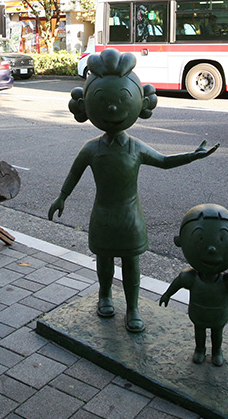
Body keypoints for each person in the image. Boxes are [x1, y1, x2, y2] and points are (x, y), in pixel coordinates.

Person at [48, 47, 218, 333]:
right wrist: (62, 196)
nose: (113, 108)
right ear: (86, 107)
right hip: (102, 216)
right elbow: (74, 173)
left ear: (140, 105)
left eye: (121, 100)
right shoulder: (91, 149)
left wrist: (191, 155)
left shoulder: (135, 147)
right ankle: (104, 295)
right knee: (104, 260)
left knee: (131, 263)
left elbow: (163, 161)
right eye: (103, 101)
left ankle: (133, 307)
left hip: (130, 217)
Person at [159, 204, 228, 366]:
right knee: (199, 331)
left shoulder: (225, 280)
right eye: (200, 239)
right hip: (198, 313)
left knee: (217, 333)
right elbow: (178, 282)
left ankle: (217, 351)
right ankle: (199, 349)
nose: (211, 249)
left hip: (218, 314)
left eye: (222, 240)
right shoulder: (191, 277)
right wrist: (167, 294)